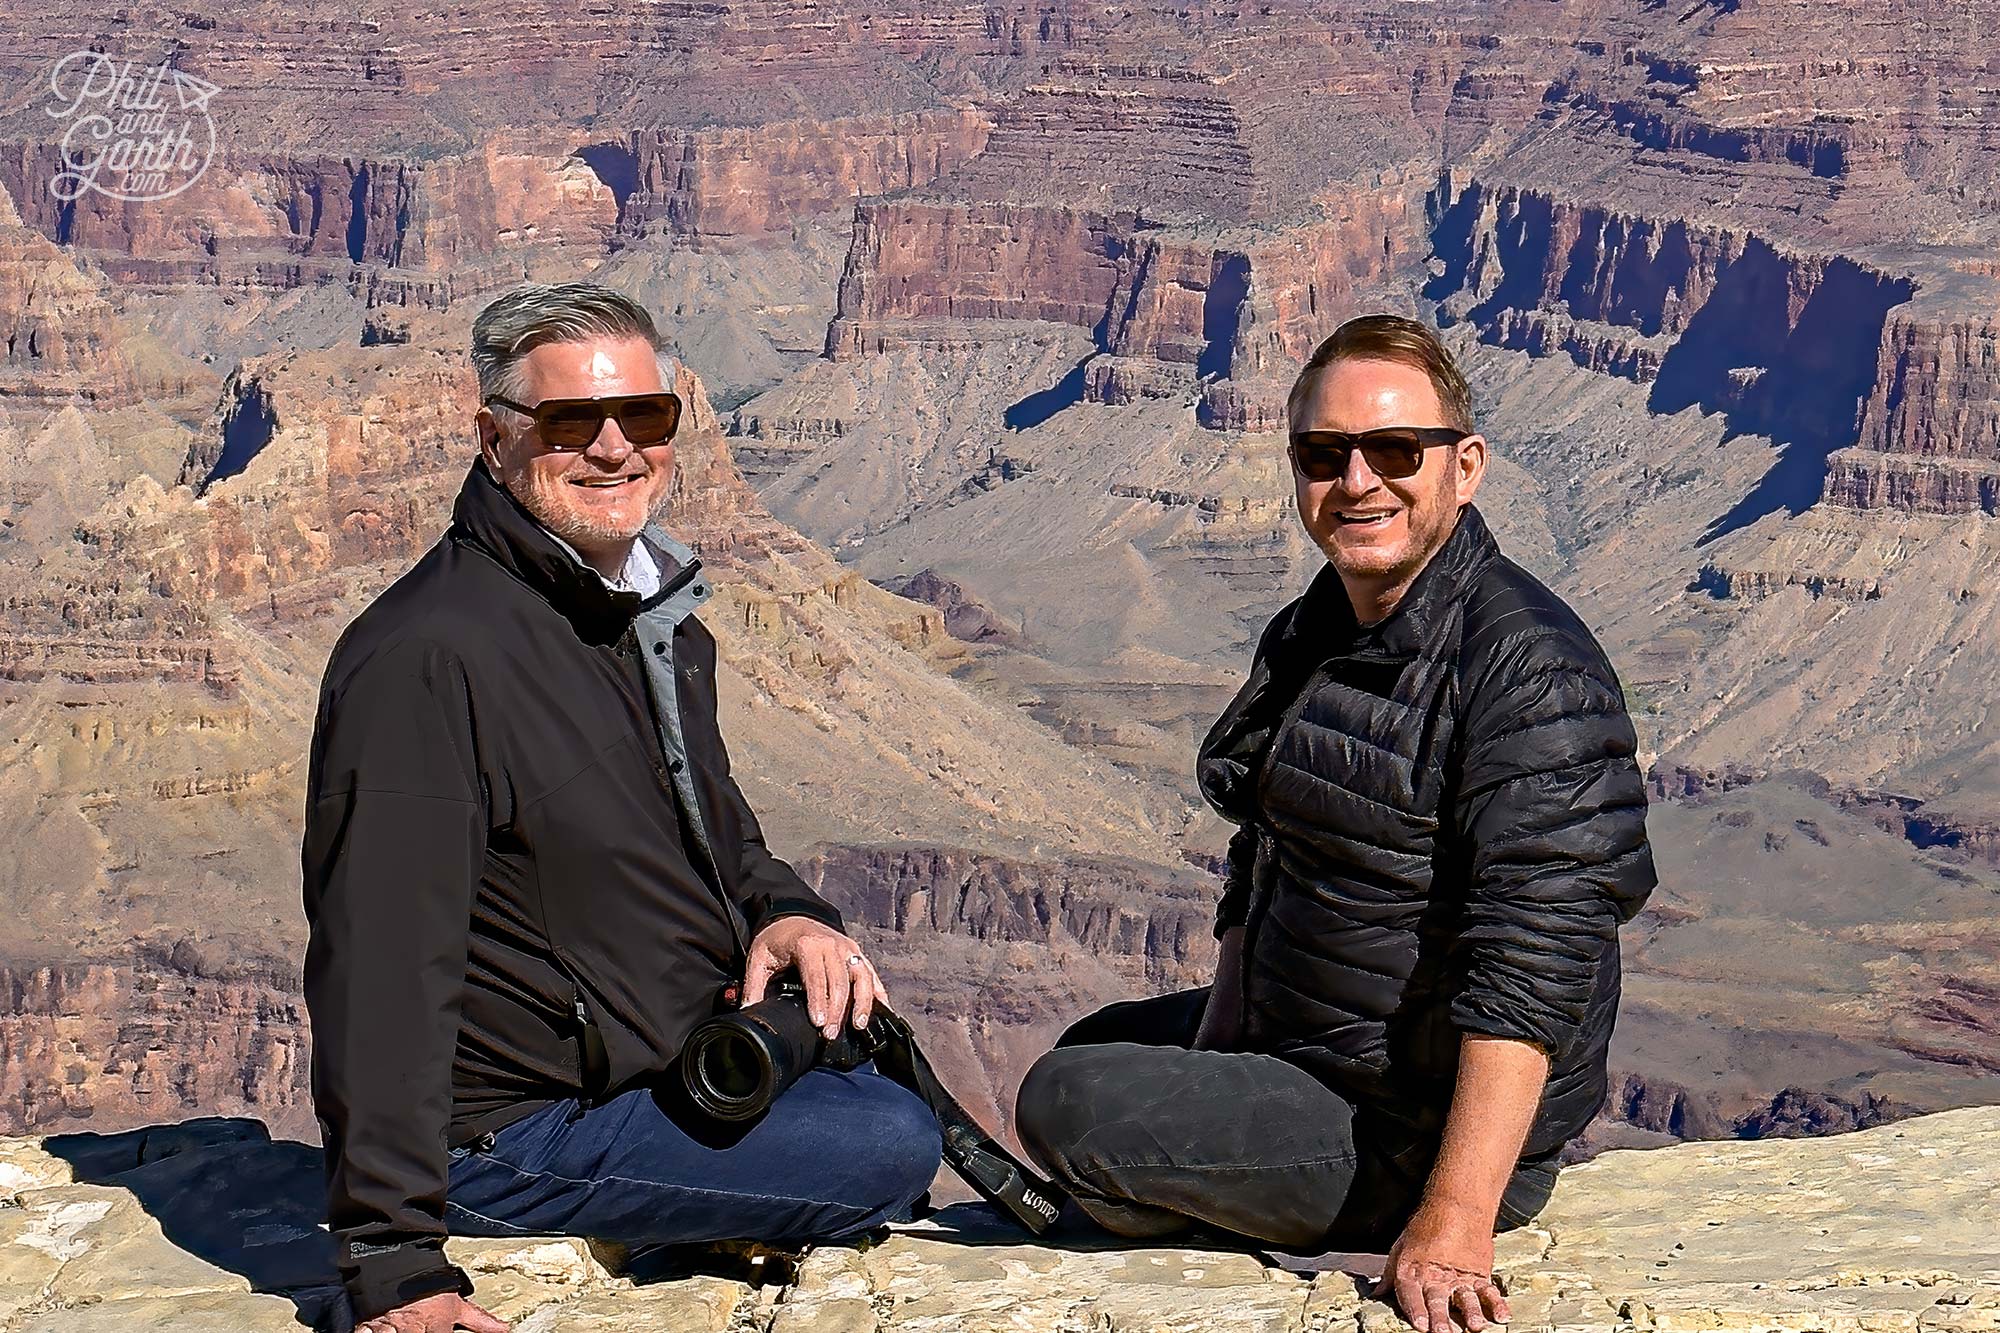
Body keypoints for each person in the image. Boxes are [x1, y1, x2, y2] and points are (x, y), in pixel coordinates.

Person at [302, 283, 941, 1333]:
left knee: (861, 1059)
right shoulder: (430, 656)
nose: (614, 448)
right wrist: (391, 1257)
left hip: (643, 1065)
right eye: (570, 423)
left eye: (644, 417)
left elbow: (718, 836)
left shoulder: (646, 619)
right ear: (493, 437)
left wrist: (786, 914)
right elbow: (378, 962)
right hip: (510, 1134)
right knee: (884, 1143)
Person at [1016, 314, 1656, 1333]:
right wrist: (1219, 1048)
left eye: (1395, 450)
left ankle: (1323, 1199)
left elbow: (1536, 957)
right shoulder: (1325, 620)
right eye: (1323, 453)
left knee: (1066, 1104)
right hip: (1316, 1042)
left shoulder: (1527, 669)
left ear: (1465, 465)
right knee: (1093, 1050)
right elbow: (1263, 848)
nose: (1357, 479)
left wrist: (1452, 1219)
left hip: (1406, 1117)